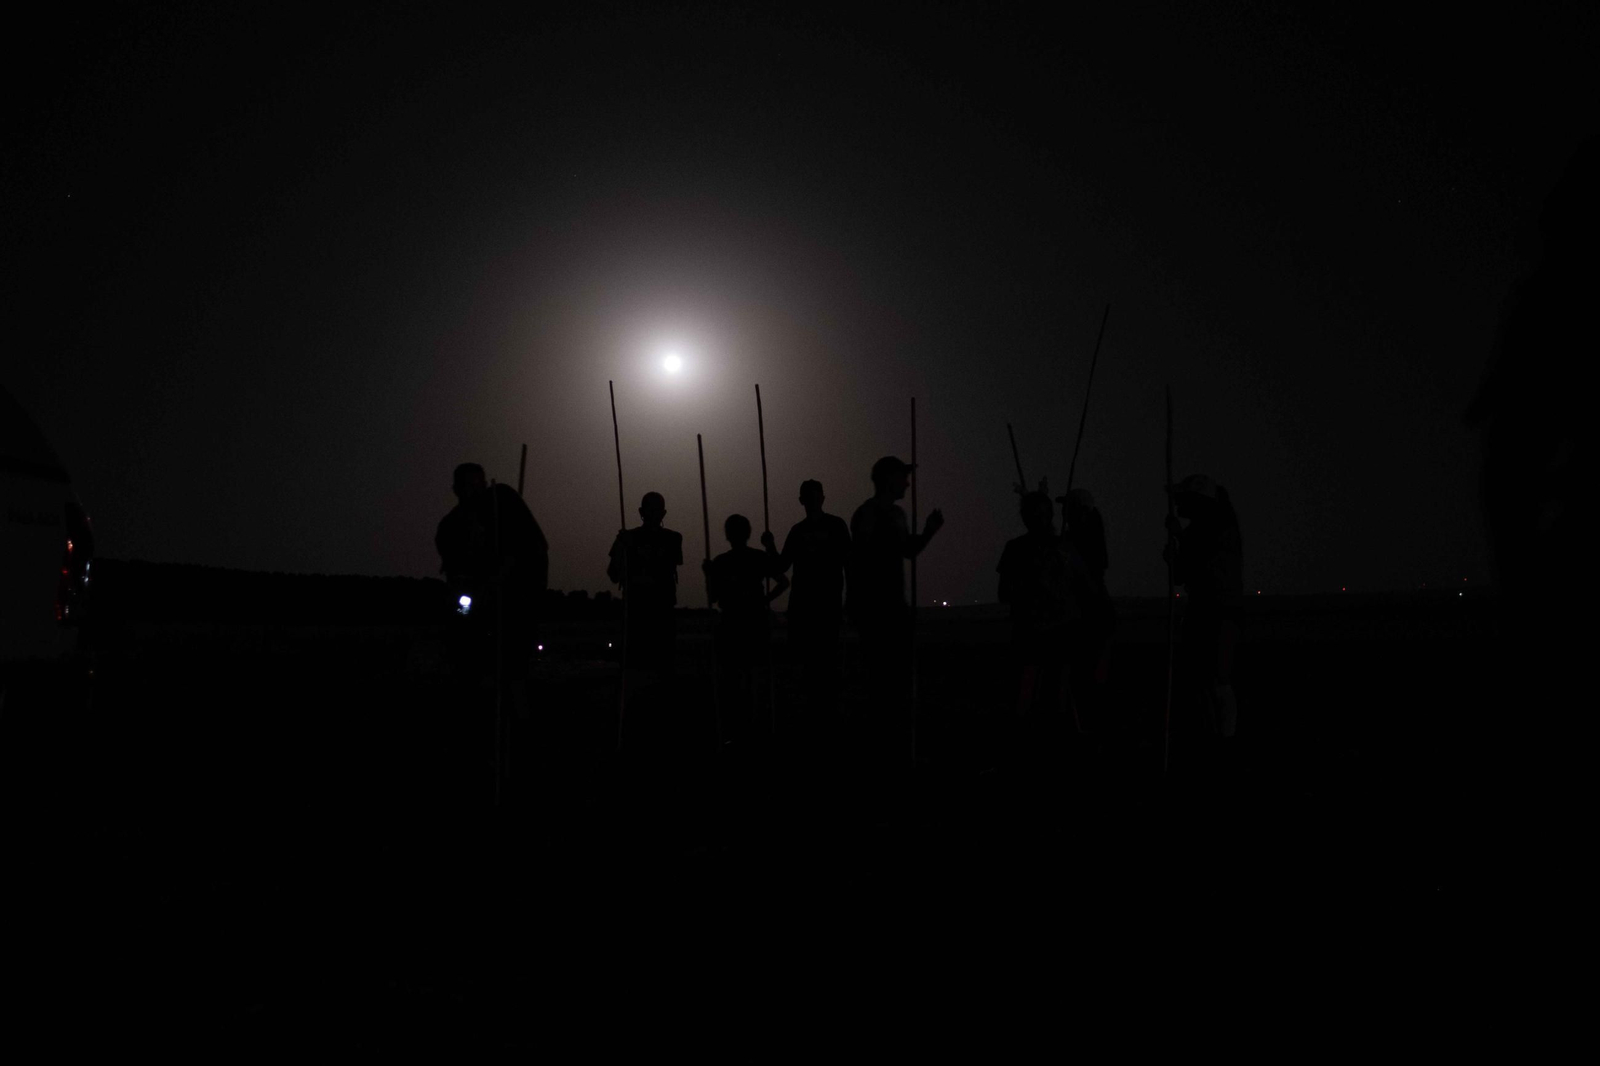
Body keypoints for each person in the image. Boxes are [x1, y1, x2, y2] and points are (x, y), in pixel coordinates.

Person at [848, 456, 943, 770]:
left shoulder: (897, 514)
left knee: (898, 682)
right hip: (876, 610)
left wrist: (929, 531)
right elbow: (859, 560)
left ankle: (896, 750)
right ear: (888, 478)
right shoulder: (868, 514)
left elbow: (908, 551)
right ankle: (881, 753)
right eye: (903, 476)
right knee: (881, 682)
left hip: (895, 609)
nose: (907, 482)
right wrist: (858, 604)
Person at [1164, 474, 1242, 742]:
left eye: (1181, 499)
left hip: (1218, 610)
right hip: (1204, 608)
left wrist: (1178, 537)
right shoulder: (1202, 528)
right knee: (1201, 678)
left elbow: (1204, 561)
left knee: (1217, 679)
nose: (1176, 504)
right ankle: (1212, 733)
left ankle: (1223, 737)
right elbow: (1183, 574)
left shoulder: (1218, 527)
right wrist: (1173, 555)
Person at [763, 479, 851, 709]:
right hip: (805, 607)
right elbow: (782, 565)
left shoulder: (833, 526)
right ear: (804, 500)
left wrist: (850, 599)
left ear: (821, 498)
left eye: (814, 496)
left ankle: (821, 708)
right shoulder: (803, 530)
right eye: (809, 497)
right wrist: (771, 546)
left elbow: (849, 563)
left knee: (823, 662)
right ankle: (814, 709)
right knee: (808, 663)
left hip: (824, 605)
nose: (812, 501)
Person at [706, 514, 789, 744]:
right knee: (752, 677)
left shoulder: (722, 562)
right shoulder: (758, 557)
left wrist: (709, 574)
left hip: (735, 624)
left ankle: (739, 728)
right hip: (752, 623)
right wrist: (764, 601)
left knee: (735, 678)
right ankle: (752, 727)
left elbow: (712, 597)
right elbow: (783, 581)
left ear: (727, 534)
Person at [607, 492, 683, 674]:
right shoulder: (626, 538)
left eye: (656, 510)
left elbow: (665, 564)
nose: (653, 514)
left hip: (660, 613)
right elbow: (613, 574)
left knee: (661, 669)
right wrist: (620, 548)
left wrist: (630, 546)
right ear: (642, 511)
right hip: (636, 614)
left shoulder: (672, 538)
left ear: (663, 513)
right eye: (651, 509)